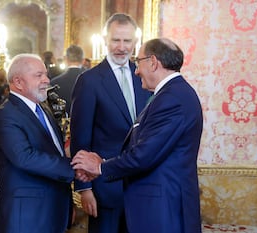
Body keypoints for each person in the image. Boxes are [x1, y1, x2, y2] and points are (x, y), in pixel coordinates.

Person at [72, 37, 203, 233]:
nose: (136, 70)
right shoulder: (169, 94)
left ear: (153, 62)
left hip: (162, 208)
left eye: (139, 62)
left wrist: (100, 167)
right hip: (156, 205)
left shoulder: (171, 99)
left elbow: (144, 155)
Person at [70, 13, 152, 233]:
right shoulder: (89, 81)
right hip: (104, 188)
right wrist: (85, 188)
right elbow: (80, 138)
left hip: (141, 186)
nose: (121, 47)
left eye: (127, 41)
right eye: (116, 40)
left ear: (135, 43)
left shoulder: (143, 77)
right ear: (105, 40)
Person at [0, 53, 75, 233]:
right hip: (25, 218)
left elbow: (54, 151)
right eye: (38, 75)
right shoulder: (5, 114)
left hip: (52, 212)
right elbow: (25, 157)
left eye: (45, 74)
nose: (46, 80)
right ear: (18, 82)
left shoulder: (43, 108)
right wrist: (74, 168)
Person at [50, 44, 85, 115]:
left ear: (65, 59)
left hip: (63, 124)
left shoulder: (54, 83)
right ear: (83, 60)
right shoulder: (94, 80)